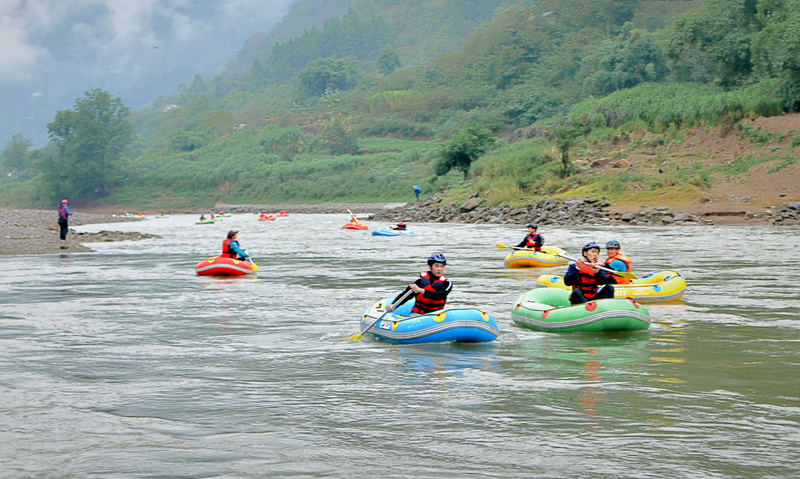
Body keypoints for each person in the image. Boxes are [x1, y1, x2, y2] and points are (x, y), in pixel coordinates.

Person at [387, 253, 452, 315]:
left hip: (437, 316)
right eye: (436, 266)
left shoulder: (447, 283)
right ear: (430, 266)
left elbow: (440, 295)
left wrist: (420, 290)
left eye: (442, 266)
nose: (439, 269)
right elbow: (406, 295)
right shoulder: (419, 281)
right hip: (418, 314)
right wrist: (394, 305)